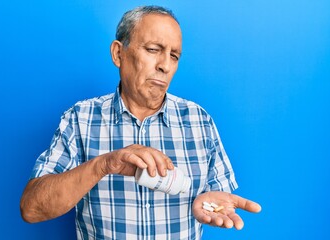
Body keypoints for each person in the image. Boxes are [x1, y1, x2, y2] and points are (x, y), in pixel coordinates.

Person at [20, 5, 261, 239]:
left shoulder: (199, 121)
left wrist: (208, 201)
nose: (165, 65)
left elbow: (217, 195)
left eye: (174, 56)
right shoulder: (80, 118)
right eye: (153, 49)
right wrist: (104, 165)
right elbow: (31, 209)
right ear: (118, 53)